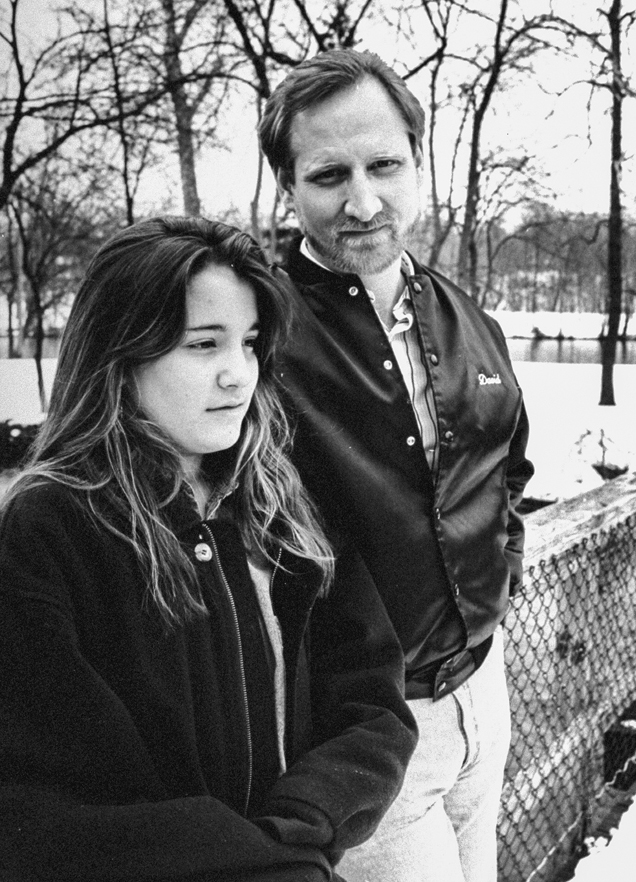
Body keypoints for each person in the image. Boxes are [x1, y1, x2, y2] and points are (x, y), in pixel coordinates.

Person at [0, 216, 417, 882]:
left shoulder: (281, 499)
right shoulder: (52, 525)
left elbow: (370, 700)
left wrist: (300, 828)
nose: (238, 376)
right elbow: (44, 796)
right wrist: (248, 861)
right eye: (203, 345)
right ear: (120, 353)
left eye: (249, 343)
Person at [259, 49, 535, 882]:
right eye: (328, 174)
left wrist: (498, 580)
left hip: (484, 691)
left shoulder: (463, 313)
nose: (362, 201)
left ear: (420, 160)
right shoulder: (258, 332)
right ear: (287, 184)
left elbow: (508, 468)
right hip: (368, 730)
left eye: (384, 164)